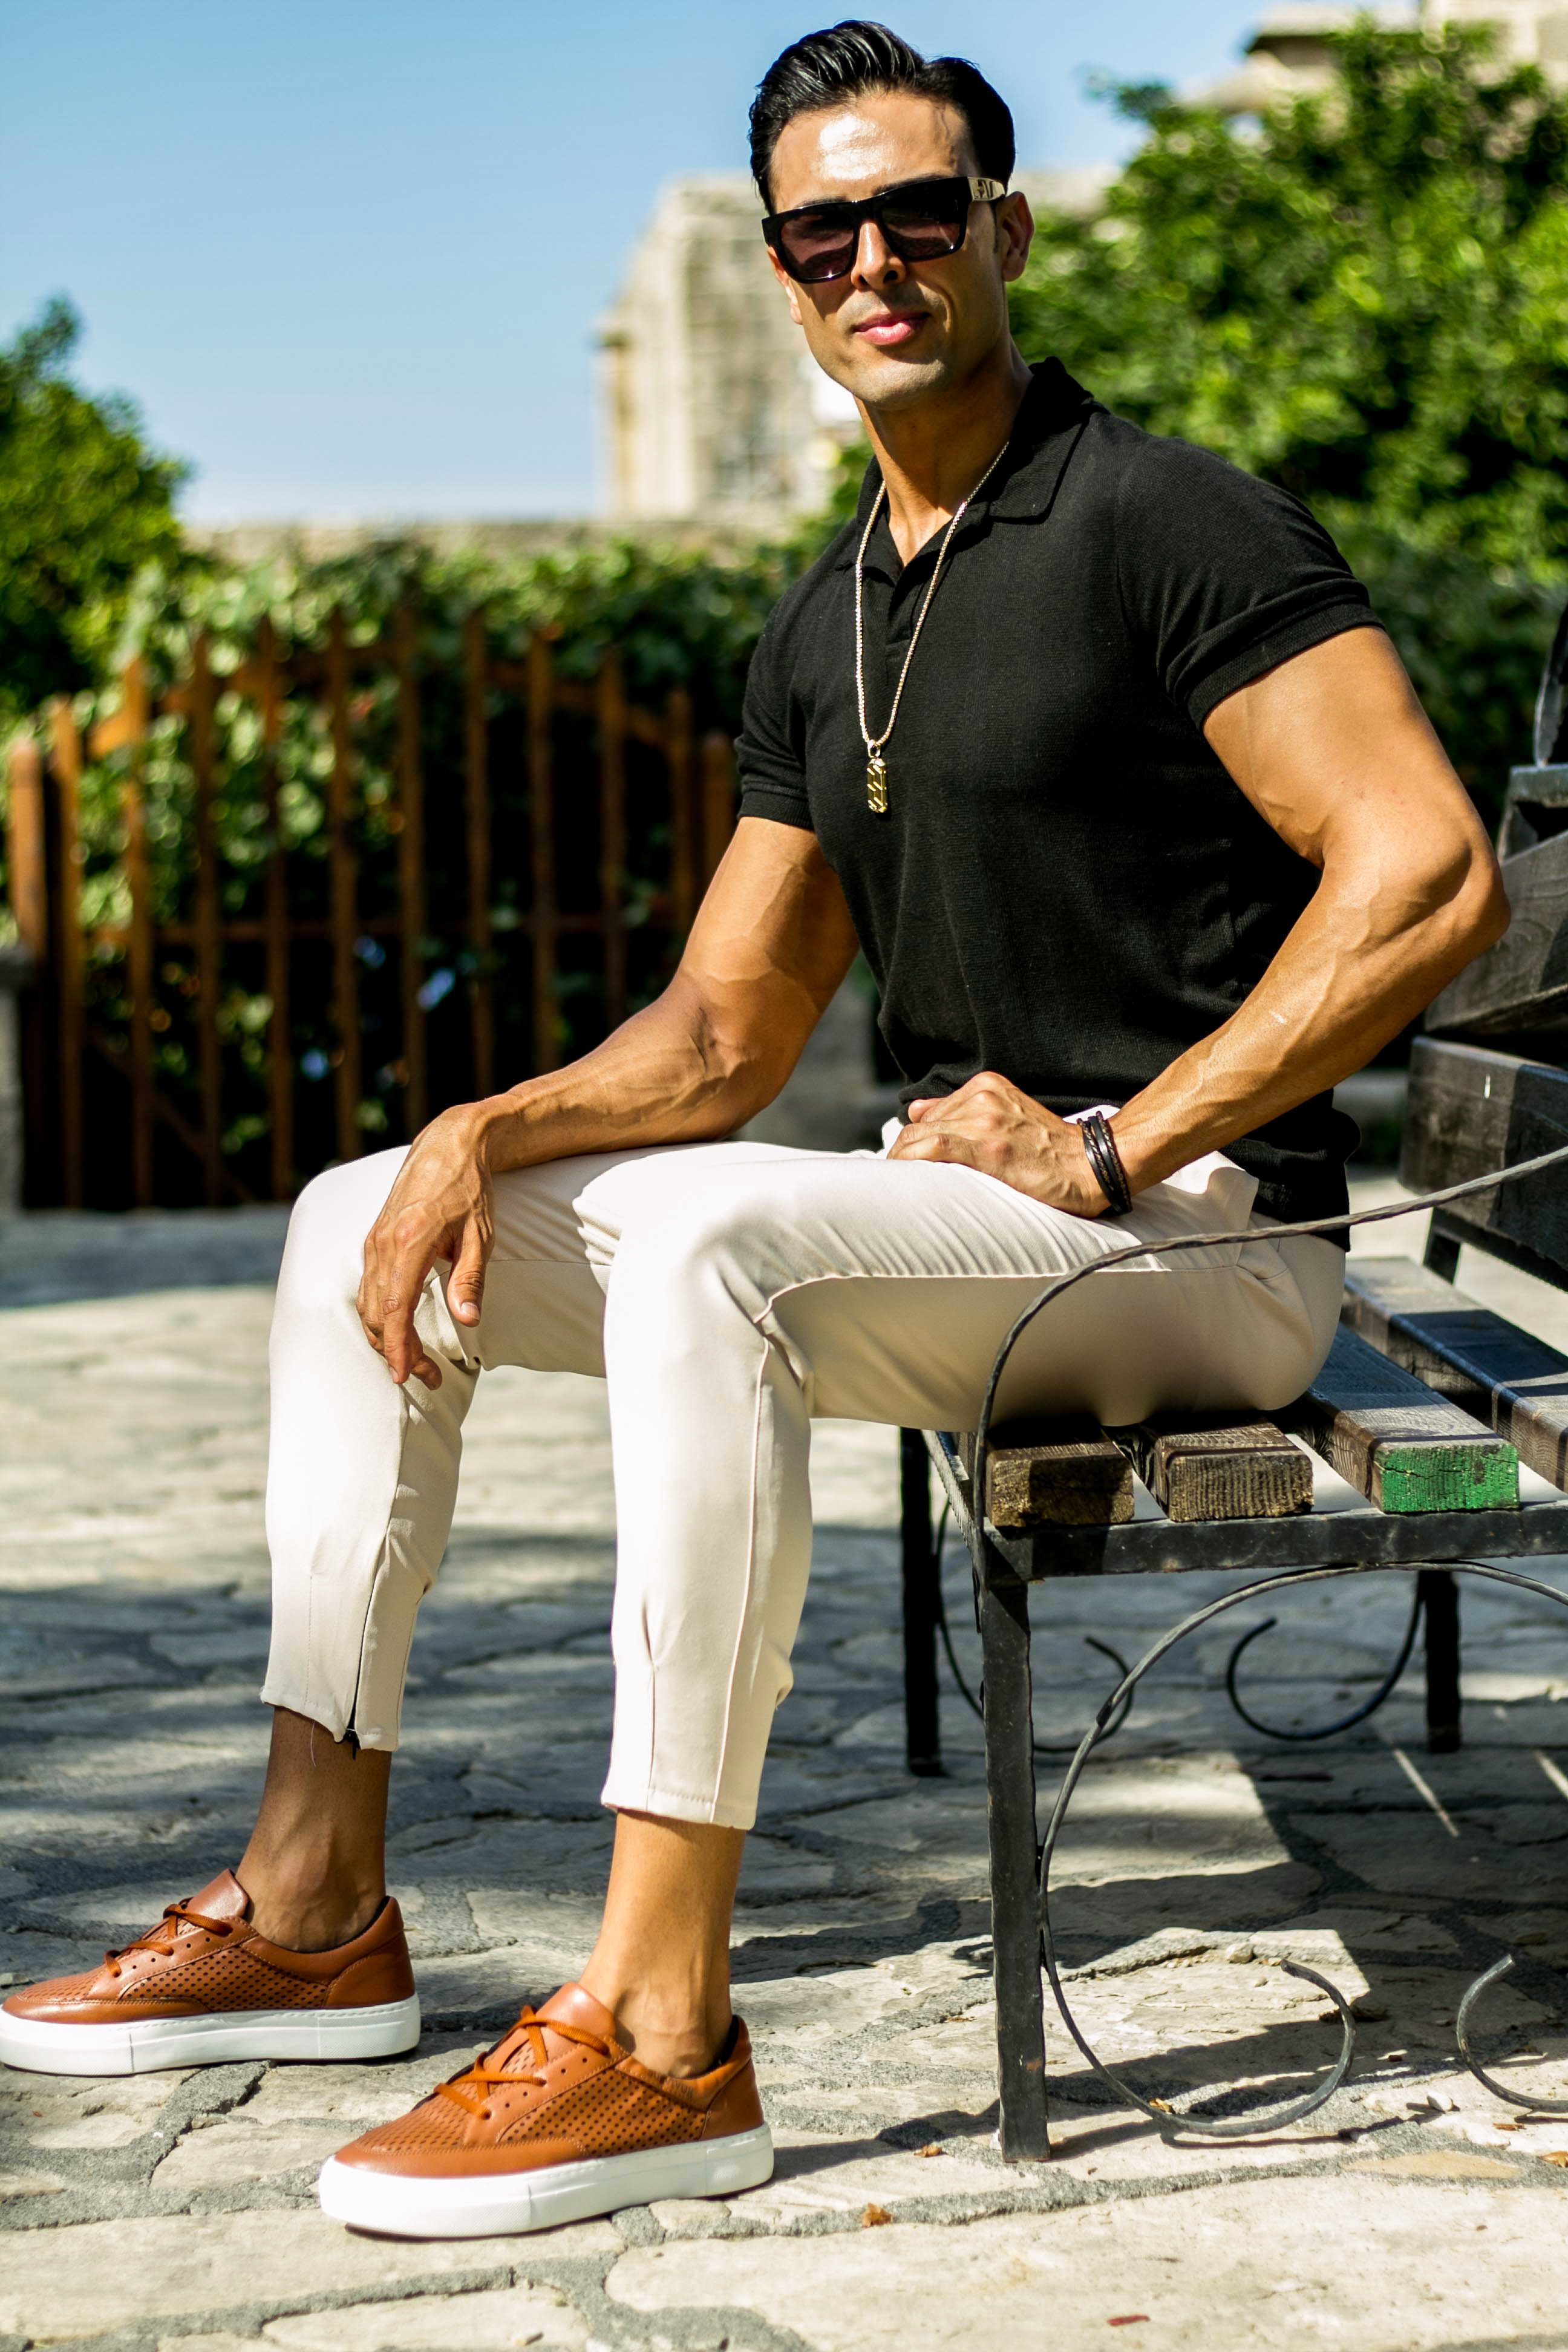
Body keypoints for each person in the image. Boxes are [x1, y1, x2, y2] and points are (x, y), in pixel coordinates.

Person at [1, 20, 1506, 2237]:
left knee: (721, 1253)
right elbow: (725, 1024)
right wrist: (481, 1127)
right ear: (788, 277)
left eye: (920, 212)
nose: (875, 261)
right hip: (1009, 1251)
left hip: (1207, 1249)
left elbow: (1429, 870)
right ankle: (313, 1906)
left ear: (1006, 228)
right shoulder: (834, 612)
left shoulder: (1166, 519)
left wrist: (1108, 1146)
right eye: (825, 234)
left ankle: (661, 2028)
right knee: (353, 1216)